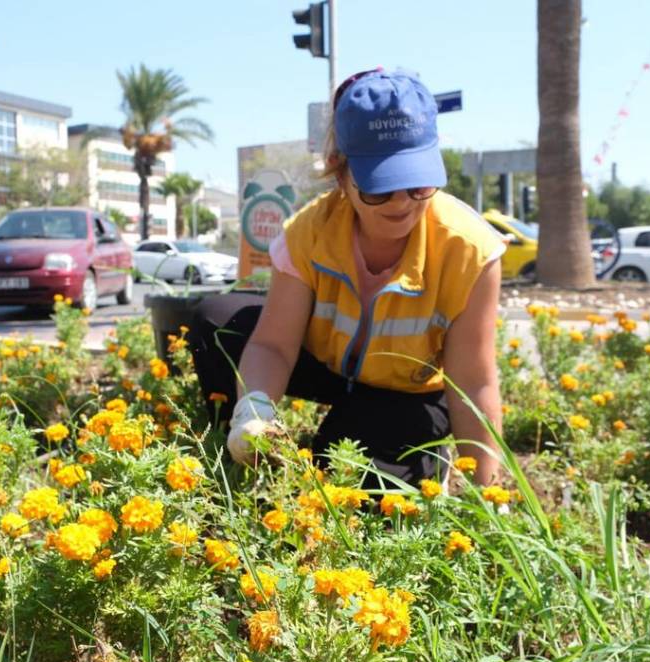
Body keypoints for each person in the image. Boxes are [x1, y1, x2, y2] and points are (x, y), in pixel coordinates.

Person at [188, 68, 505, 489]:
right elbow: (273, 344)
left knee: (343, 480)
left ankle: (427, 461)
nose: (402, 203)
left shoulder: (470, 249)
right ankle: (233, 445)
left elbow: (473, 381)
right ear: (341, 173)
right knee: (217, 322)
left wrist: (489, 491)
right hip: (331, 368)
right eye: (380, 188)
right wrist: (255, 411)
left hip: (406, 394)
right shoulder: (310, 231)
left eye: (418, 185)